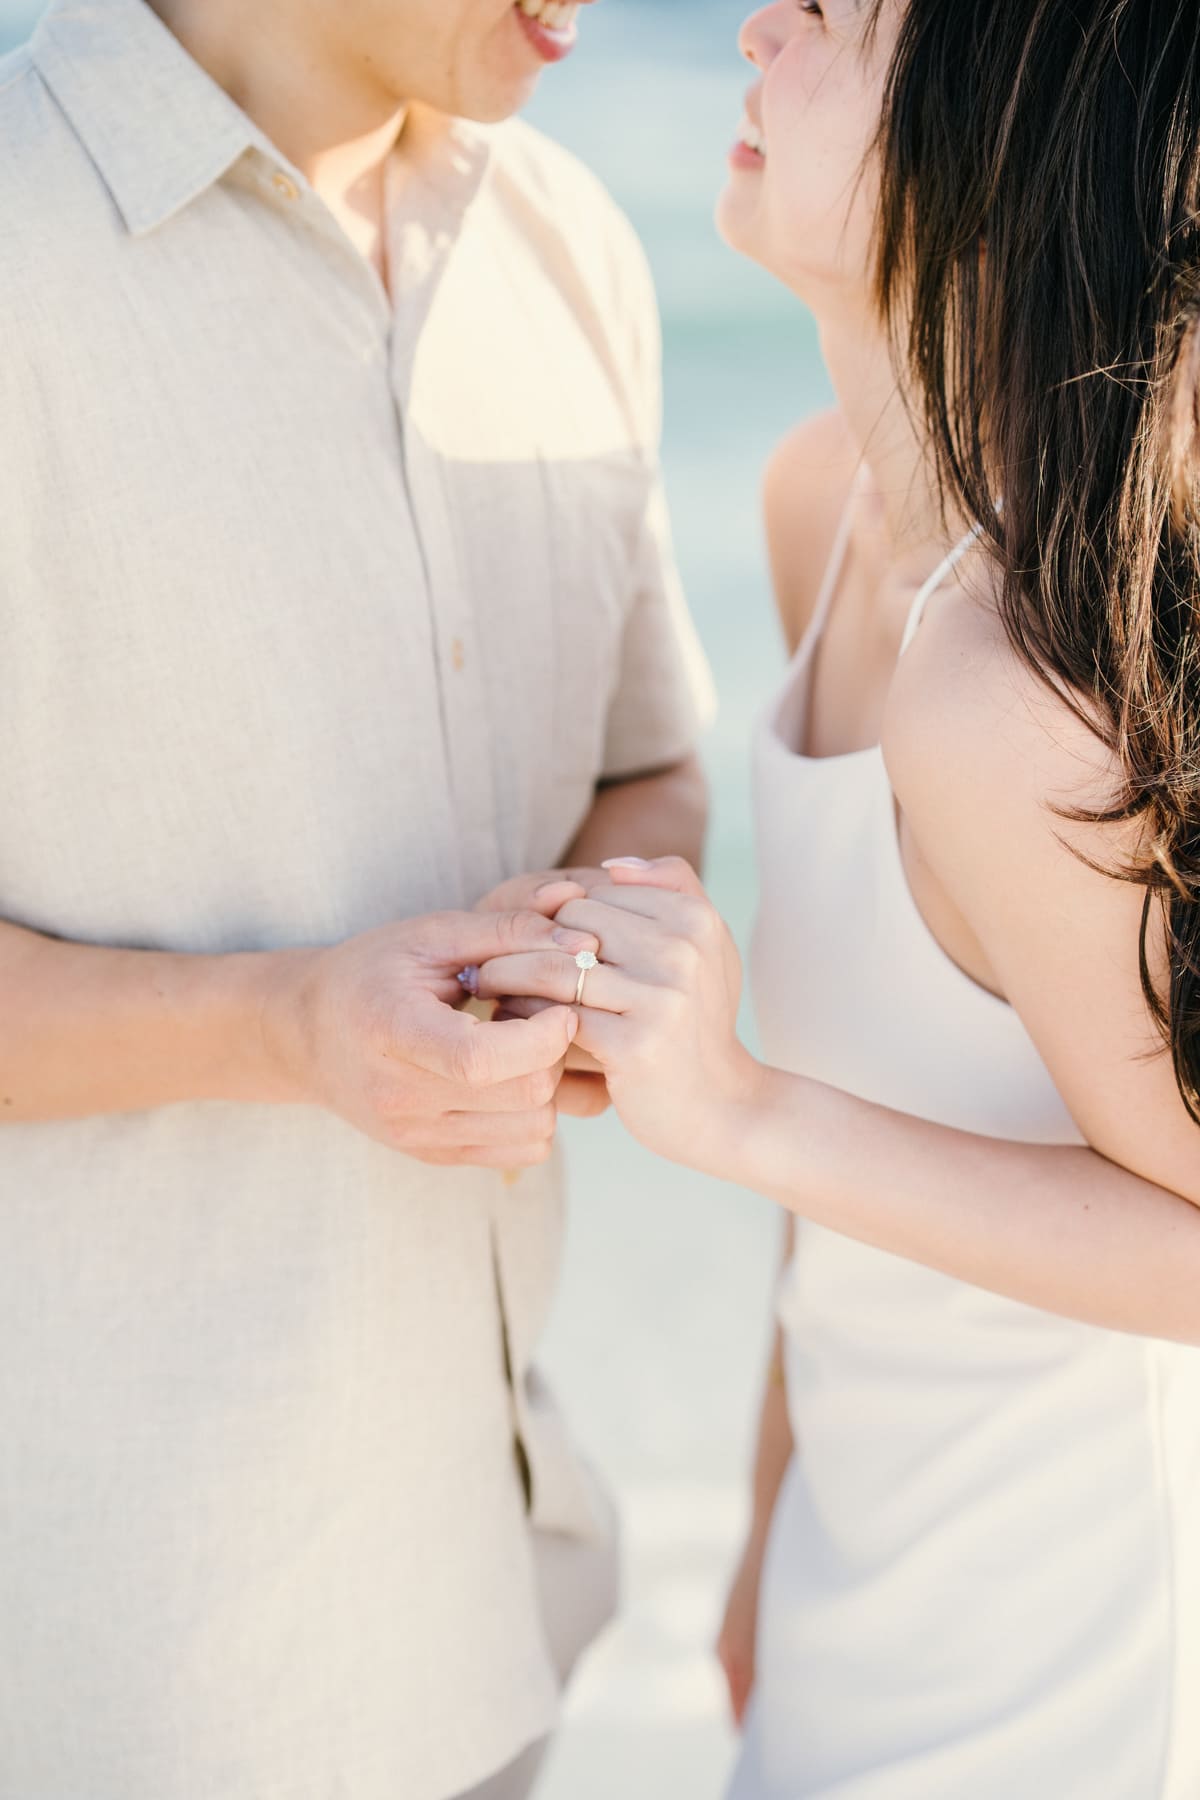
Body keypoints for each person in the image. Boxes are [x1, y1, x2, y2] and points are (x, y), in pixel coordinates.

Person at [477, 1, 1200, 1794]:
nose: (756, 27)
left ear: (995, 144)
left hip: (1072, 1672)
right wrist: (768, 1514)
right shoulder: (826, 505)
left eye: (839, 17)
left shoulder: (1009, 695)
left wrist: (731, 1108)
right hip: (856, 1597)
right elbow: (869, 1180)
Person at [0, 1, 714, 1796]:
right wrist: (287, 1025)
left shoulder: (572, 246)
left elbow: (650, 769)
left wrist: (582, 965)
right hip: (119, 1664)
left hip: (499, 1598)